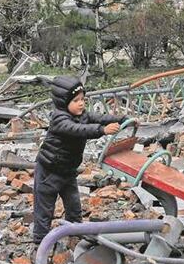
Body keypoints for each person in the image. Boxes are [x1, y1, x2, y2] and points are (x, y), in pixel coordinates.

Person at [32, 76, 126, 245]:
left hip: (68, 171)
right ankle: (40, 244)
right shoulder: (59, 119)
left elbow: (99, 117)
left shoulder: (82, 114)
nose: (81, 103)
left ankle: (76, 238)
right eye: (75, 100)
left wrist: (120, 119)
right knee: (44, 209)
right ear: (63, 103)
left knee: (74, 205)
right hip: (49, 171)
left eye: (83, 99)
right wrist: (102, 130)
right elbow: (77, 130)